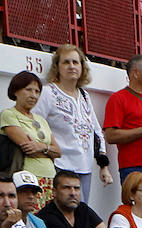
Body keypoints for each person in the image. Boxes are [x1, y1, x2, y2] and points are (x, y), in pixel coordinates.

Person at [36, 45, 112, 201]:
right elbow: (35, 124)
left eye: (76, 62)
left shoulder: (84, 95)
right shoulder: (48, 93)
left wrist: (103, 165)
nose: (71, 66)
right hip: (60, 166)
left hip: (84, 168)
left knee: (81, 215)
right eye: (66, 62)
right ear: (57, 67)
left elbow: (96, 132)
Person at [3, 72, 60, 197]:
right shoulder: (9, 115)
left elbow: (59, 152)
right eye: (28, 90)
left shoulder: (41, 120)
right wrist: (49, 152)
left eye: (37, 91)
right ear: (15, 91)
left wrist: (42, 147)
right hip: (27, 181)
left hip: (49, 180)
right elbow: (29, 149)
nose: (33, 95)